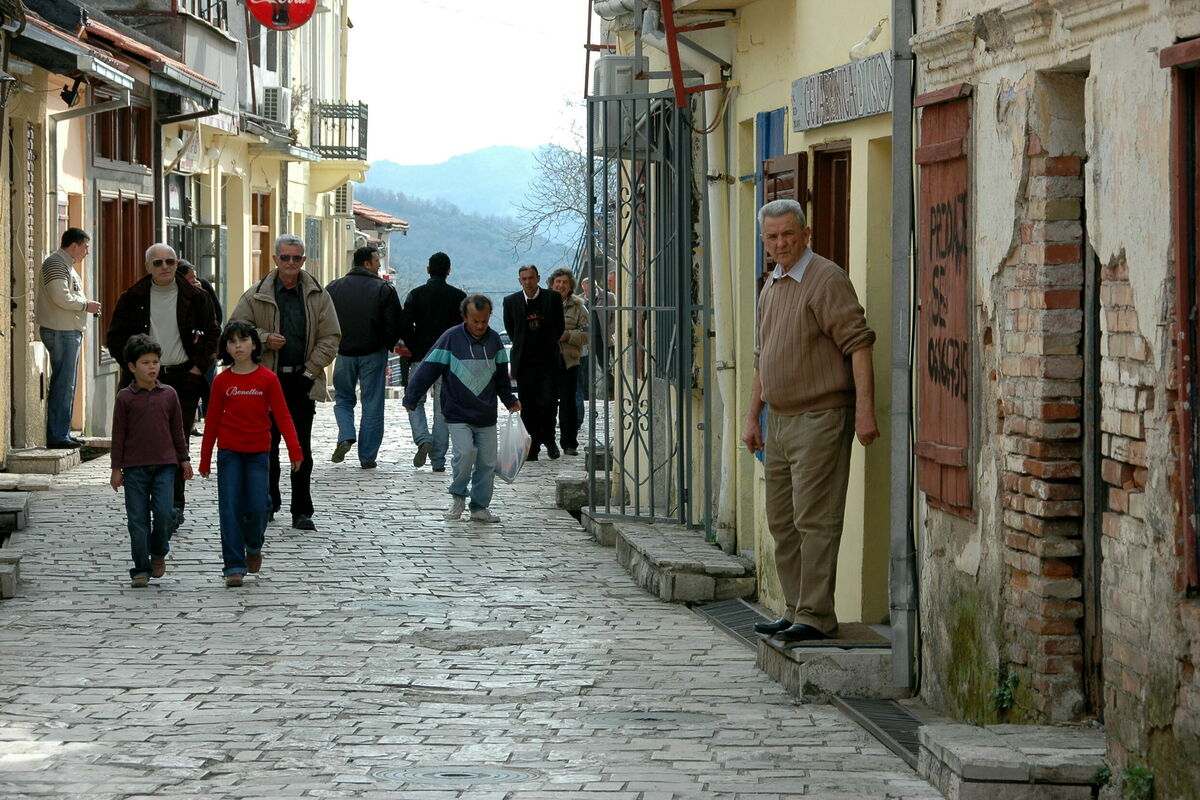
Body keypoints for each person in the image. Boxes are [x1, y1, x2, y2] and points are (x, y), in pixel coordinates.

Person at [743, 199, 879, 643]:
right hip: (779, 421)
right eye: (772, 237)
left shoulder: (826, 279)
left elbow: (859, 343)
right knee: (782, 522)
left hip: (821, 417)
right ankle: (795, 608)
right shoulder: (772, 283)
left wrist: (865, 412)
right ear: (764, 241)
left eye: (788, 234)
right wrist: (752, 417)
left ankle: (816, 615)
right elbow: (763, 357)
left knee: (815, 519)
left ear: (806, 234)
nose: (780, 243)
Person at [230, 234, 341, 531]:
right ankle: (268, 502)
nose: (290, 263)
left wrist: (311, 370)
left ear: (303, 260)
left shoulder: (318, 295)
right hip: (266, 381)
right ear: (275, 259)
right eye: (285, 257)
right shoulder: (256, 295)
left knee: (300, 447)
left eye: (296, 258)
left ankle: (301, 510)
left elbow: (331, 337)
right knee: (267, 445)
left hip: (302, 379)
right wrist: (265, 339)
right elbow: (236, 330)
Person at [106, 243, 219, 530]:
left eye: (170, 261)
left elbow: (212, 334)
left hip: (183, 377)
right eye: (158, 263)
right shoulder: (133, 297)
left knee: (178, 441)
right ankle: (145, 501)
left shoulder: (196, 297)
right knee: (143, 441)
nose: (165, 267)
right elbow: (115, 337)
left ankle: (173, 507)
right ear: (148, 267)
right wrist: (133, 367)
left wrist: (198, 368)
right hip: (142, 381)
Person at [199, 321, 302, 588]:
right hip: (229, 454)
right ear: (226, 348)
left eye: (243, 340)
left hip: (258, 453)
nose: (238, 346)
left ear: (254, 345)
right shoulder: (222, 381)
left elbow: (283, 416)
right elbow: (212, 421)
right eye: (232, 342)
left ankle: (254, 545)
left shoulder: (268, 379)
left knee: (259, 506)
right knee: (230, 509)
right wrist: (205, 457)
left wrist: (294, 449)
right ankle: (234, 566)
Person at [403, 294, 520, 523]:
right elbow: (428, 369)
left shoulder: (494, 341)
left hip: (486, 415)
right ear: (464, 317)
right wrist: (412, 397)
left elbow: (501, 378)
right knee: (464, 455)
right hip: (457, 413)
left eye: (484, 321)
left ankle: (479, 507)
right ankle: (458, 497)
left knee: (487, 463)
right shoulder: (450, 339)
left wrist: (509, 400)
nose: (480, 326)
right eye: (475, 321)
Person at [109, 334, 191, 588]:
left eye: (155, 361)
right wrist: (116, 468)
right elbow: (118, 435)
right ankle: (140, 568)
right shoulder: (125, 398)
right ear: (132, 367)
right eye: (145, 362)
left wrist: (184, 460)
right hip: (134, 469)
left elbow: (178, 431)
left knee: (165, 513)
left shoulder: (169, 395)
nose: (152, 367)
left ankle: (158, 551)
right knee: (138, 521)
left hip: (165, 466)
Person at [327, 245, 404, 469]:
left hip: (344, 353)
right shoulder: (383, 289)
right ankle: (367, 456)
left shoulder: (333, 288)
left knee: (343, 398)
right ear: (367, 263)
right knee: (372, 404)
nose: (380, 265)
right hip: (373, 353)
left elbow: (324, 318)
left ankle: (345, 434)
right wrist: (388, 344)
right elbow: (393, 323)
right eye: (377, 261)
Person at [400, 252, 466, 472]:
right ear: (449, 271)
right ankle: (438, 459)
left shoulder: (416, 294)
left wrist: (414, 346)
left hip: (421, 357)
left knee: (414, 401)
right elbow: (464, 329)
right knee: (442, 408)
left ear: (428, 270)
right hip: (448, 360)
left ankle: (422, 438)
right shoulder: (459, 297)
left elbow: (404, 324)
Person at [36, 228, 101, 449]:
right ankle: (57, 435)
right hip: (60, 331)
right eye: (85, 247)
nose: (87, 252)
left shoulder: (65, 264)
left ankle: (62, 432)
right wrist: (86, 305)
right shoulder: (56, 263)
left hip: (66, 330)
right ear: (74, 245)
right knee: (64, 385)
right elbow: (60, 296)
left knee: (67, 384)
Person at [503, 264, 564, 461]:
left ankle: (549, 439)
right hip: (525, 362)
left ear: (538, 278)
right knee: (528, 405)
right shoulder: (511, 301)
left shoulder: (552, 298)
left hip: (548, 360)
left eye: (531, 278)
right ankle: (532, 445)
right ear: (520, 281)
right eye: (524, 279)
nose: (528, 282)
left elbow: (560, 326)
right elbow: (511, 330)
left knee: (549, 402)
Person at [547, 268, 588, 456]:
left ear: (571, 286)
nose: (560, 285)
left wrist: (567, 335)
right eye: (557, 282)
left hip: (569, 361)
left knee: (568, 403)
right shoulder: (543, 304)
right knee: (546, 403)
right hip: (546, 360)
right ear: (551, 284)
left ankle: (569, 443)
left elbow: (587, 335)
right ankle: (547, 440)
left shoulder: (579, 307)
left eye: (565, 282)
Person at [177, 259, 222, 427]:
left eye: (195, 277)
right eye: (191, 278)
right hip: (184, 354)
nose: (195, 281)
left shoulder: (203, 289)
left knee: (210, 388)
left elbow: (217, 317)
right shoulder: (176, 296)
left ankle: (212, 422)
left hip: (205, 351)